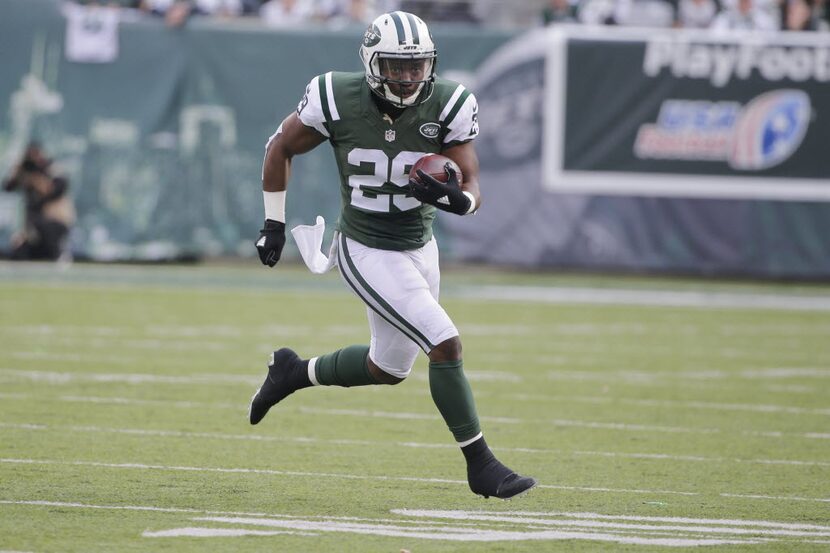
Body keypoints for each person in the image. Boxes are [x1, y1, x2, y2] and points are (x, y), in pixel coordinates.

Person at [249, 11, 537, 500]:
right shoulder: (335, 97)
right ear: (370, 62)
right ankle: (481, 466)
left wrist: (459, 200)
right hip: (366, 247)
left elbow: (471, 183)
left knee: (389, 369)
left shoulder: (450, 103)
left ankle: (294, 372)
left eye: (416, 66)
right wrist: (273, 223)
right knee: (444, 342)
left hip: (420, 246)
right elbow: (280, 148)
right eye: (396, 66)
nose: (407, 77)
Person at [2, 142, 75, 261]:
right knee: (21, 252)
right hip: (33, 224)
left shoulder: (52, 170)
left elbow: (55, 190)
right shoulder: (25, 172)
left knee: (50, 244)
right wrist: (17, 172)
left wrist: (36, 180)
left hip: (54, 221)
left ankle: (60, 256)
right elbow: (8, 187)